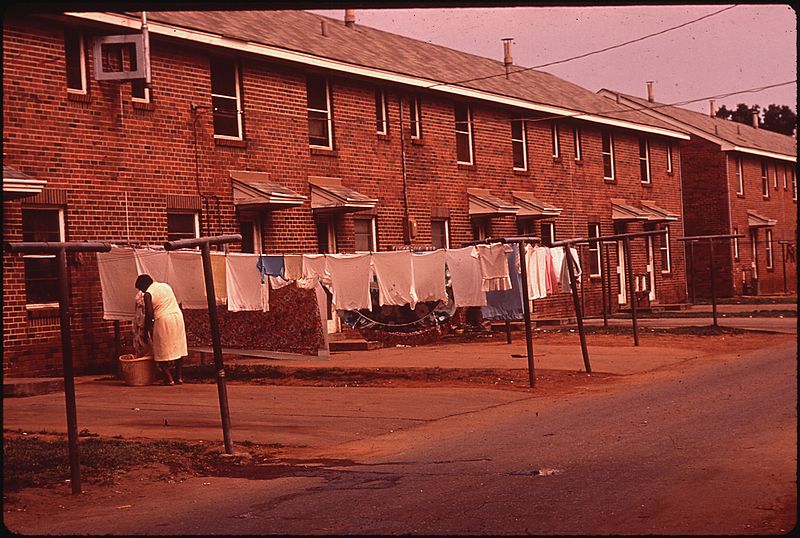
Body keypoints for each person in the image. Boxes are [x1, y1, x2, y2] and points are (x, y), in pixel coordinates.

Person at [135, 274, 187, 386]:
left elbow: (149, 313)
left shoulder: (148, 294)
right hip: (177, 317)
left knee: (160, 349)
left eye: (140, 288)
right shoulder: (165, 286)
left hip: (163, 319)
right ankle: (179, 377)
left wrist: (146, 330)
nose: (141, 291)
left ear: (144, 285)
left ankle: (169, 378)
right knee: (178, 347)